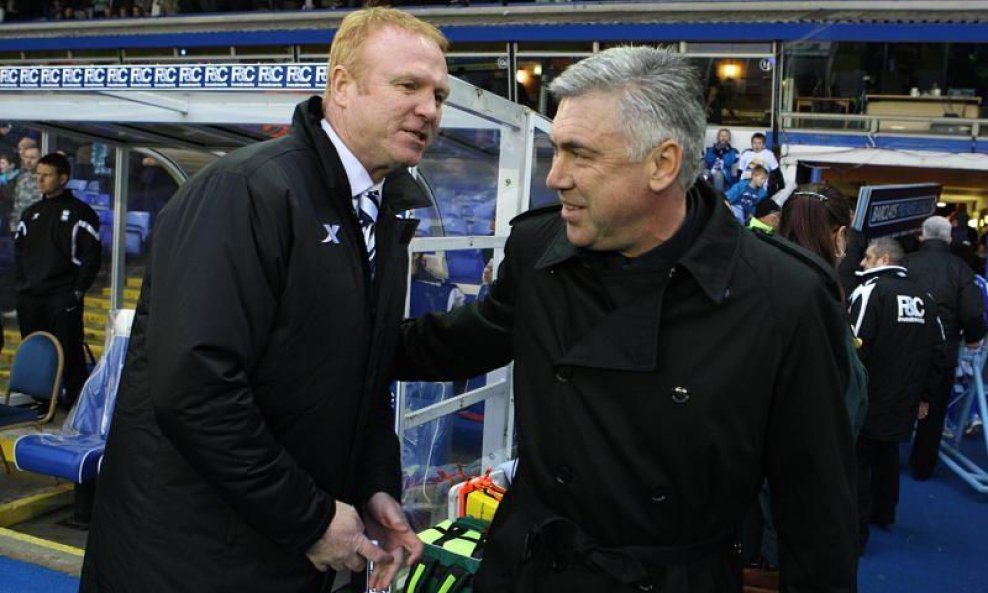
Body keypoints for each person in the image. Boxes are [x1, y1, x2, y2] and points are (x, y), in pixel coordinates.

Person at [395, 47, 857, 593]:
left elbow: (816, 513)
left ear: (662, 164)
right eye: (554, 151)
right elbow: (458, 343)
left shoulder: (785, 298)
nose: (556, 177)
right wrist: (317, 334)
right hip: (528, 570)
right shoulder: (538, 246)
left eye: (579, 155)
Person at [79, 8, 446, 593]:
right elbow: (195, 389)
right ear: (342, 87)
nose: (429, 109)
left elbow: (364, 375)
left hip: (278, 552)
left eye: (438, 94)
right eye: (409, 86)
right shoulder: (246, 191)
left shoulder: (384, 211)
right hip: (188, 560)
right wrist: (312, 518)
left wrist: (373, 488)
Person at [848, 237, 945, 554]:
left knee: (859, 460)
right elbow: (939, 353)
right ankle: (884, 511)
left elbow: (854, 348)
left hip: (869, 395)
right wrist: (925, 397)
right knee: (887, 451)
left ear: (883, 258)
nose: (861, 263)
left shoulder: (871, 291)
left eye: (866, 257)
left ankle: (855, 533)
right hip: (905, 396)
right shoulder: (926, 298)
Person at [13, 152, 101, 407]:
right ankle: (40, 401)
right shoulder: (31, 213)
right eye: (37, 174)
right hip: (30, 296)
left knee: (69, 352)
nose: (39, 180)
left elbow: (92, 257)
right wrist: (21, 285)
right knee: (37, 351)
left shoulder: (81, 213)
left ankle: (75, 405)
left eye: (46, 175)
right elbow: (19, 252)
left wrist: (77, 291)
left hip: (62, 296)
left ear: (63, 178)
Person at [902, 215, 986, 480]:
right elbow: (973, 313)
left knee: (892, 402)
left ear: (922, 236)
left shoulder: (906, 263)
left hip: (903, 346)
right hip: (943, 350)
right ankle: (922, 466)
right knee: (934, 411)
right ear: (949, 238)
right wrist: (974, 338)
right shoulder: (961, 268)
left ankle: (881, 463)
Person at [11, 144, 41, 233]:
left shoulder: (44, 178)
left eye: (32, 158)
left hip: (36, 225)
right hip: (18, 225)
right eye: (26, 157)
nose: (28, 161)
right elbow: (17, 201)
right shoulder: (21, 177)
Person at [702, 128, 738, 193]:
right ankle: (704, 196)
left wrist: (726, 151)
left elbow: (728, 163)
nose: (723, 138)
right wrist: (714, 151)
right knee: (705, 172)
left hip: (724, 173)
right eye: (721, 136)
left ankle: (719, 197)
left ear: (729, 138)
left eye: (725, 136)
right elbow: (708, 161)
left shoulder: (733, 151)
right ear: (718, 137)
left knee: (718, 174)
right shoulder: (710, 149)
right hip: (711, 171)